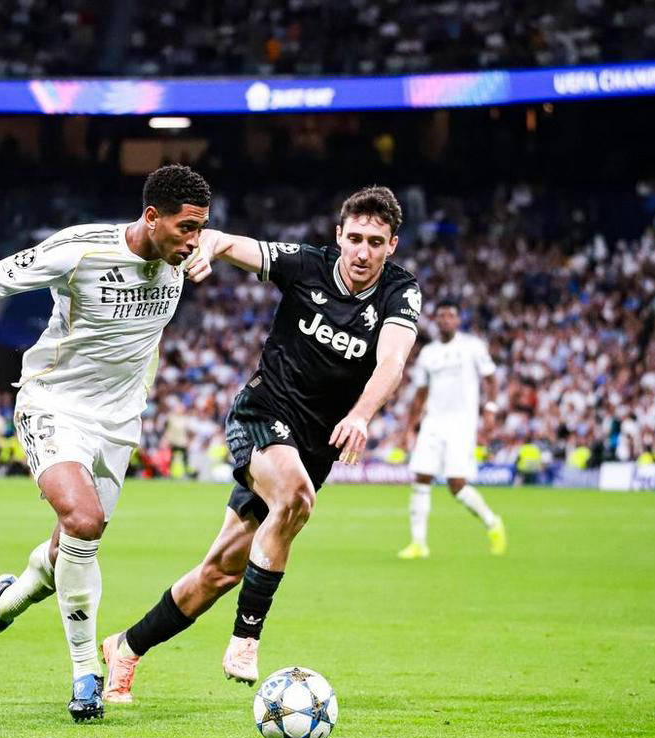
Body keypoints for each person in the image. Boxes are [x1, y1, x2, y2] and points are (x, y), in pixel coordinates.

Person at [0, 164, 213, 722]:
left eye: (201, 228)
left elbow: (222, 248)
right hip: (54, 404)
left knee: (65, 555)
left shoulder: (182, 256)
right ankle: (86, 674)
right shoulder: (80, 250)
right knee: (84, 522)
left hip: (119, 425)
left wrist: (207, 249)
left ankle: (1, 607)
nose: (195, 240)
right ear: (152, 217)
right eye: (187, 228)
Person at [100, 185, 421, 702]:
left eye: (376, 242)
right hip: (262, 414)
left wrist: (361, 415)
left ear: (392, 245)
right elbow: (228, 241)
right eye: (355, 238)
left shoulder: (400, 293)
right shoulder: (307, 265)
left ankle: (126, 647)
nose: (363, 252)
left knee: (220, 572)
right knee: (295, 496)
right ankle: (246, 639)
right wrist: (208, 248)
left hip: (314, 445)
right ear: (339, 235)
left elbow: (393, 361)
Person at [398, 300, 507, 559]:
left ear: (458, 320)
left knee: (456, 484)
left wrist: (490, 408)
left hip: (461, 424)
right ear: (436, 320)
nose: (446, 319)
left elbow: (491, 379)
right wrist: (409, 428)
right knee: (421, 477)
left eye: (450, 315)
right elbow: (420, 394)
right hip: (433, 422)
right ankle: (418, 543)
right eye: (441, 315)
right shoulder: (428, 353)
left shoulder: (472, 347)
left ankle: (492, 522)